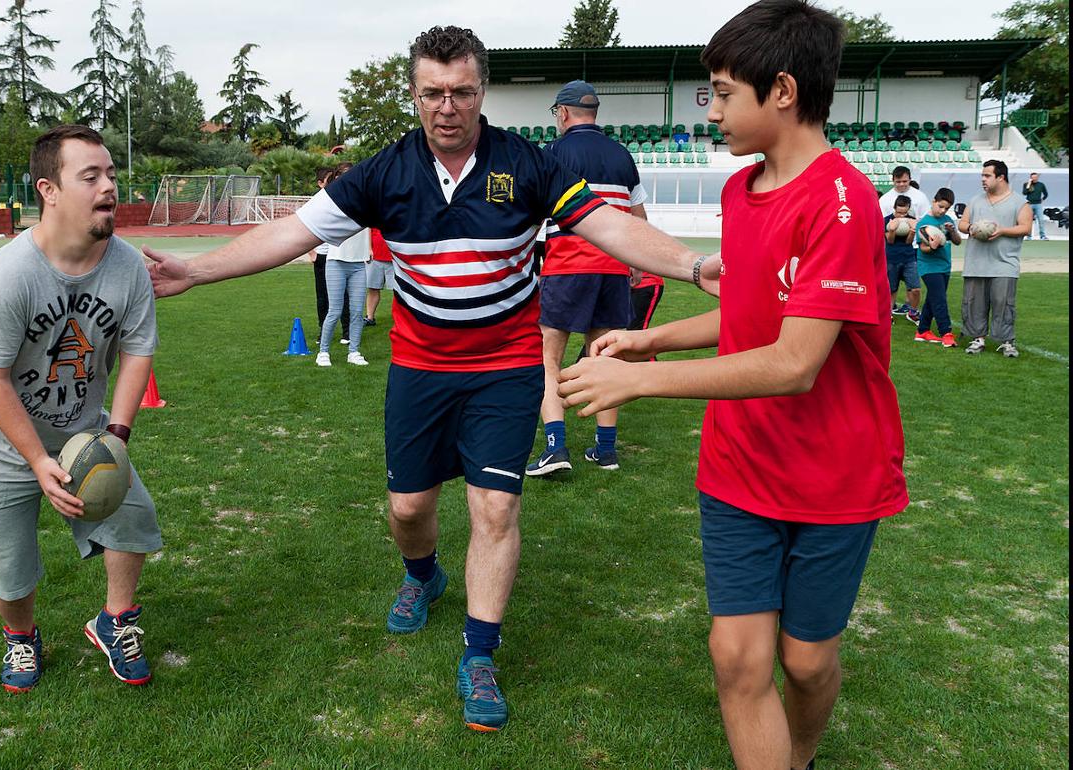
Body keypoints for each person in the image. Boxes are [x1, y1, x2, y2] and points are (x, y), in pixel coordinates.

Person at [144, 24, 718, 732]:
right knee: (409, 511)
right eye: (433, 93)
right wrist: (194, 270)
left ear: (482, 92)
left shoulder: (528, 164)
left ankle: (480, 654)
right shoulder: (383, 174)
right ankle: (424, 577)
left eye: (462, 92)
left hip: (506, 366)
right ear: (414, 96)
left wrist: (694, 266)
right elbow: (293, 233)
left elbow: (609, 226)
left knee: (495, 510)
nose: (448, 106)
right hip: (419, 365)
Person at [557, 2, 908, 767]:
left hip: (835, 476)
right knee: (737, 659)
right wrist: (650, 338)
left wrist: (640, 384)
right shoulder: (738, 194)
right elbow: (751, 317)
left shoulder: (841, 203)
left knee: (807, 663)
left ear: (781, 90)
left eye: (721, 92)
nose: (710, 111)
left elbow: (793, 362)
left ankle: (801, 755)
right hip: (739, 469)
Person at [0, 125, 162, 693]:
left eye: (111, 174)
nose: (108, 186)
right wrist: (37, 462)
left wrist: (115, 435)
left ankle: (115, 622)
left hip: (79, 430)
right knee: (9, 571)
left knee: (131, 517)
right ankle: (22, 637)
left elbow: (138, 349)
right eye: (90, 176)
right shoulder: (7, 275)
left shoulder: (128, 267)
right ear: (50, 190)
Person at [525, 79, 650, 477]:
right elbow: (638, 220)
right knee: (606, 359)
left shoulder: (554, 152)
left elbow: (531, 217)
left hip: (567, 267)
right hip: (613, 269)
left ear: (562, 113)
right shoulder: (622, 156)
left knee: (547, 360)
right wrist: (635, 266)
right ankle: (606, 450)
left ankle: (554, 447)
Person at [958, 160, 1032, 358]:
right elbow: (962, 224)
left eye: (987, 175)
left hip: (1004, 264)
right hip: (976, 263)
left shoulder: (1019, 202)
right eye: (982, 175)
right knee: (974, 304)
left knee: (1003, 303)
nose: (983, 179)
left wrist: (1002, 231)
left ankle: (1007, 342)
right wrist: (971, 228)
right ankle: (978, 339)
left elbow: (1026, 227)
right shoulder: (975, 201)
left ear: (1001, 177)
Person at [316, 163, 370, 367]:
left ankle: (353, 352)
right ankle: (323, 352)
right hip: (337, 262)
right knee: (335, 310)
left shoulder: (366, 200)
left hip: (358, 263)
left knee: (357, 312)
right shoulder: (333, 201)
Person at [912, 188, 962, 347]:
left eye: (946, 208)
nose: (942, 210)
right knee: (939, 299)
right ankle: (946, 333)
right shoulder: (924, 223)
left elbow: (957, 241)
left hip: (944, 266)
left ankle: (922, 331)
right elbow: (923, 249)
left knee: (933, 298)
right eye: (940, 206)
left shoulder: (947, 220)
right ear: (934, 201)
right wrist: (932, 246)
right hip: (928, 267)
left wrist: (952, 231)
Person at [883, 194, 920, 324]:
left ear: (908, 209)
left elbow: (909, 242)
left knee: (915, 288)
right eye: (899, 213)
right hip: (891, 259)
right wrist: (892, 230)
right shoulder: (887, 220)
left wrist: (912, 231)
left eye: (904, 213)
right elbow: (890, 241)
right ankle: (888, 315)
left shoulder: (911, 220)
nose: (901, 216)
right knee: (892, 290)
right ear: (894, 208)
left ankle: (913, 313)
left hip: (909, 258)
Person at [308, 167, 334, 339]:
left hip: (340, 255)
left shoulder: (342, 199)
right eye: (329, 181)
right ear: (320, 183)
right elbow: (305, 227)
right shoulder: (315, 203)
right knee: (323, 295)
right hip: (323, 256)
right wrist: (312, 253)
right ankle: (323, 331)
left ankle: (347, 333)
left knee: (344, 296)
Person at [363, 228, 395, 326]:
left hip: (395, 257)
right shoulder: (373, 213)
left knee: (398, 292)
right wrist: (368, 249)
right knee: (372, 288)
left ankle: (401, 318)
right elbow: (368, 229)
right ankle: (370, 318)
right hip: (375, 255)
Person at [1022, 171, 1049, 240]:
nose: (1034, 179)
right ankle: (1029, 236)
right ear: (1030, 178)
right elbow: (1024, 193)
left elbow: (1046, 194)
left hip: (1038, 204)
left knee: (1041, 220)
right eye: (1033, 177)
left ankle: (1042, 236)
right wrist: (1029, 184)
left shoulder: (1041, 185)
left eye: (1036, 177)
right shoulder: (1026, 184)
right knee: (1029, 221)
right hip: (1029, 204)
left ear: (1037, 177)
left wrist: (1043, 199)